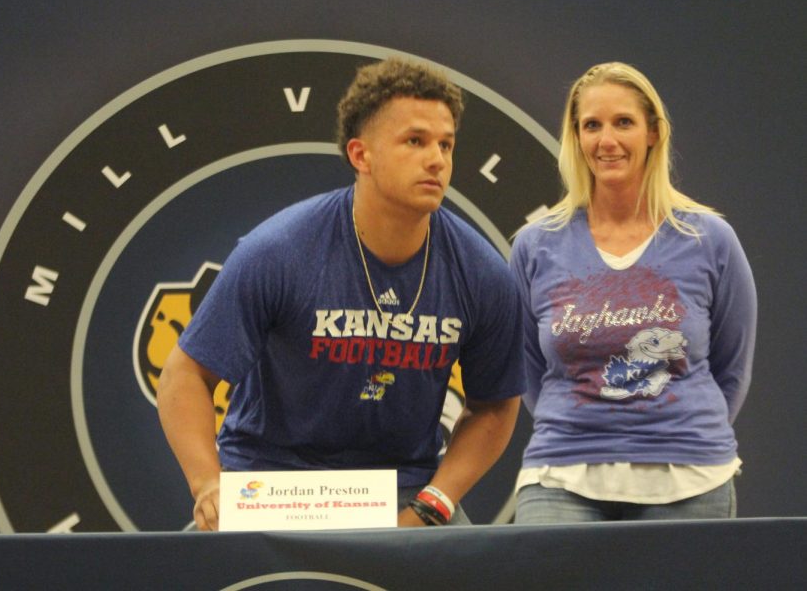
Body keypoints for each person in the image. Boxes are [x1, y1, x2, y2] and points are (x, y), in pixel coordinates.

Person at [157, 57, 525, 531]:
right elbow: (184, 375)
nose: (437, 159)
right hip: (269, 478)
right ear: (360, 155)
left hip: (401, 486)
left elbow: (494, 405)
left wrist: (436, 501)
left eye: (446, 144)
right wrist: (209, 485)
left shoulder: (482, 272)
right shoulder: (277, 251)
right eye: (415, 141)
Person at [509, 62, 757, 523]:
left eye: (624, 122)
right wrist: (585, 426)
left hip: (690, 475)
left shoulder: (710, 239)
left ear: (653, 133)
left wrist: (675, 431)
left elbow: (732, 366)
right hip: (562, 472)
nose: (607, 141)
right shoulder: (535, 244)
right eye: (592, 125)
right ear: (576, 137)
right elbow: (527, 367)